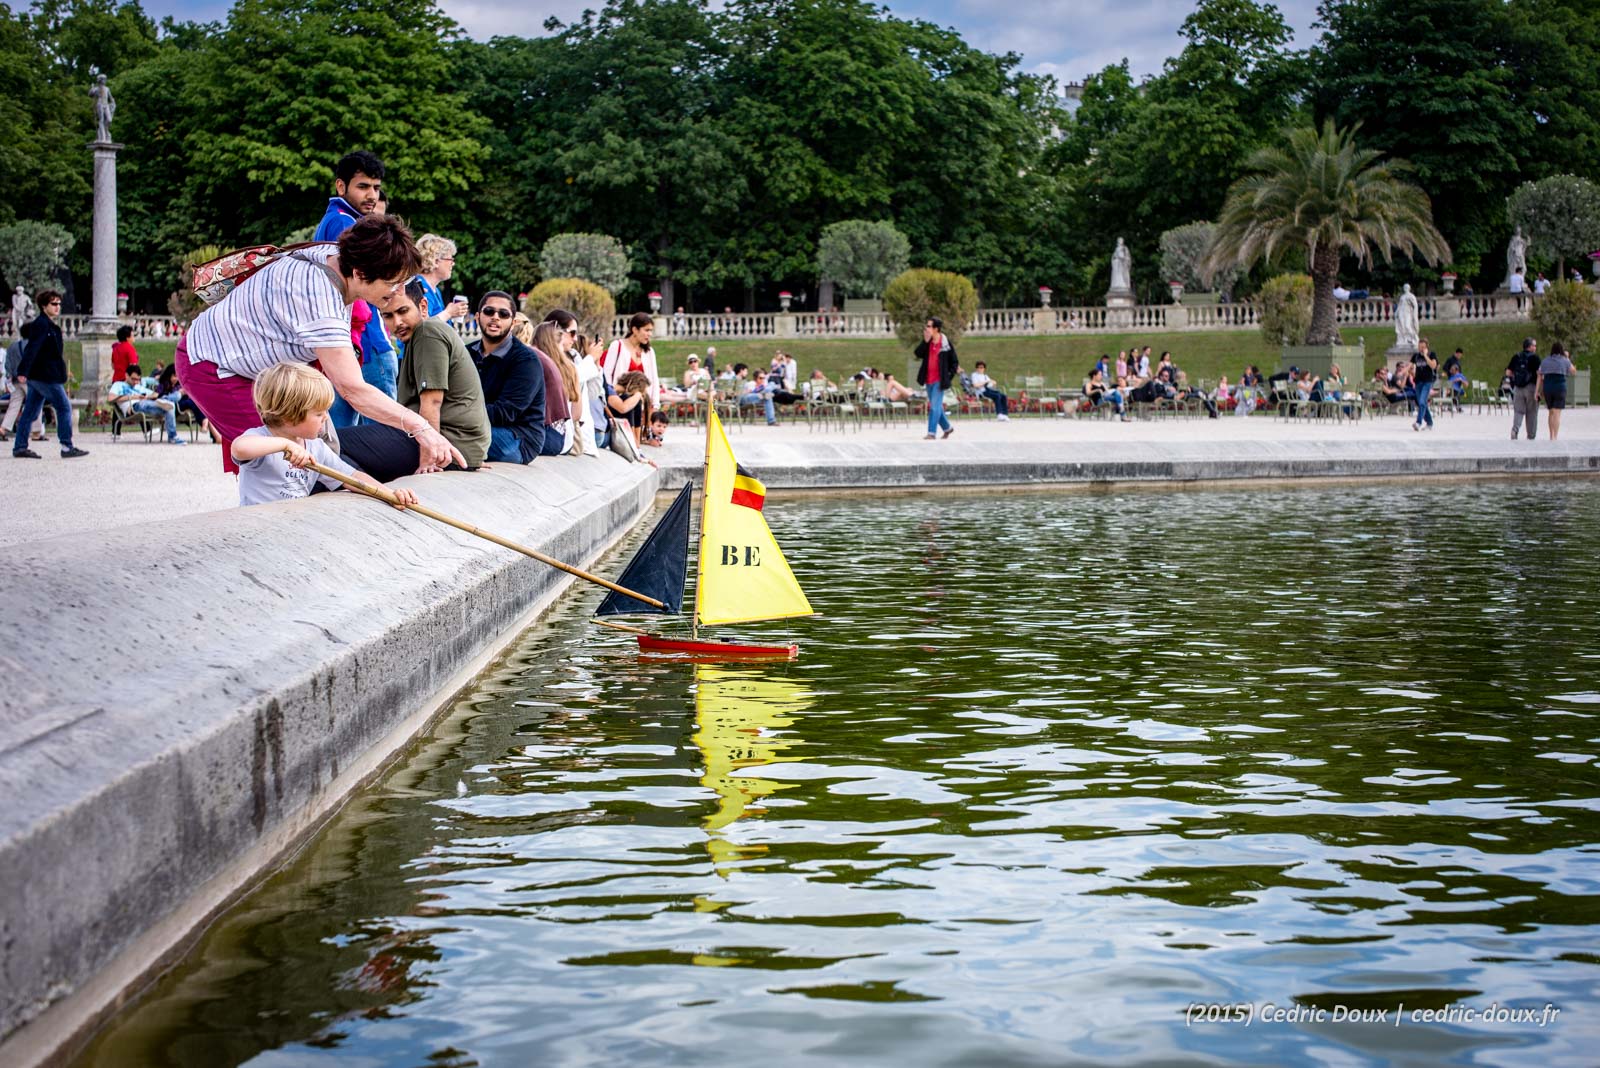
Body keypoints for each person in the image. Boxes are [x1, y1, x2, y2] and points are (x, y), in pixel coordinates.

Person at [178, 214, 461, 474]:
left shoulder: (339, 256)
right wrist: (421, 428)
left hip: (256, 363)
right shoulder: (319, 300)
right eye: (393, 282)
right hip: (212, 366)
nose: (399, 291)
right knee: (279, 462)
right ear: (361, 274)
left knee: (311, 451)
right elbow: (353, 389)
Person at [337, 281, 489, 480]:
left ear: (423, 307)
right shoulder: (421, 335)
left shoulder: (428, 333)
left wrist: (428, 461)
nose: (397, 322)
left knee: (333, 442)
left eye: (403, 311)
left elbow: (432, 402)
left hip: (446, 446)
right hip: (457, 445)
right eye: (388, 315)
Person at [231, 362, 415, 509]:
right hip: (257, 524)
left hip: (289, 525)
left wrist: (389, 494)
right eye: (319, 413)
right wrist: (285, 445)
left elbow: (352, 477)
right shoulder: (261, 440)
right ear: (289, 416)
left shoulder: (316, 447)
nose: (326, 417)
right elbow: (239, 448)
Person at [315, 150, 399, 424]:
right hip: (366, 339)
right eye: (363, 186)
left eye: (376, 187)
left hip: (345, 339)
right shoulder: (345, 223)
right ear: (341, 186)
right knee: (385, 429)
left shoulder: (334, 220)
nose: (372, 195)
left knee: (344, 433)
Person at [466, 291, 544, 463]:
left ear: (513, 321)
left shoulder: (526, 361)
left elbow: (506, 412)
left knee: (450, 436)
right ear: (478, 316)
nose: (495, 317)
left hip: (518, 438)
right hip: (478, 425)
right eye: (489, 312)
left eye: (503, 314)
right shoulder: (466, 353)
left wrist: (457, 415)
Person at [11, 290, 88, 459]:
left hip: (41, 374)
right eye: (54, 304)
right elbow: (32, 348)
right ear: (44, 306)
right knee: (64, 407)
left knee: (30, 411)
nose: (57, 307)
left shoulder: (49, 325)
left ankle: (20, 447)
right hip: (44, 375)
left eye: (59, 304)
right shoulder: (41, 324)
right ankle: (67, 447)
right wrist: (23, 370)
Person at [530, 320, 579, 455]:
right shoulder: (569, 367)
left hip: (550, 436)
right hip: (565, 436)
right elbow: (577, 413)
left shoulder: (538, 361)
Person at [109, 365, 185, 445]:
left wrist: (149, 396)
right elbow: (110, 398)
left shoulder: (138, 386)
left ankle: (172, 437)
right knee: (168, 402)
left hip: (147, 403)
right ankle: (165, 399)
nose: (135, 382)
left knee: (170, 406)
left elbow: (154, 394)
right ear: (126, 375)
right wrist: (134, 397)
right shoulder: (118, 385)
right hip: (134, 406)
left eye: (138, 380)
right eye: (133, 379)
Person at [603, 312, 661, 404]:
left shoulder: (649, 352)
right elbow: (606, 375)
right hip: (619, 402)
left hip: (644, 404)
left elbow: (654, 379)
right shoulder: (617, 346)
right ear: (635, 330)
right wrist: (612, 397)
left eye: (651, 331)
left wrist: (655, 405)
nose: (650, 334)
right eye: (646, 330)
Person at [915, 316, 958, 440]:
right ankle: (948, 428)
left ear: (936, 329)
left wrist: (948, 377)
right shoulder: (927, 342)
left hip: (939, 380)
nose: (926, 328)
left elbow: (954, 362)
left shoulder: (945, 343)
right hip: (928, 380)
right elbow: (917, 354)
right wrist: (925, 341)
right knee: (937, 406)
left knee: (934, 407)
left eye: (929, 326)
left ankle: (931, 433)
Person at [412, 234, 466, 321]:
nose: (453, 263)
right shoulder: (421, 288)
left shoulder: (434, 289)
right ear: (436, 261)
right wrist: (449, 313)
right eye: (450, 259)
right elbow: (423, 326)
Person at [2, 334, 43, 442]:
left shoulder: (12, 346)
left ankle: (3, 428)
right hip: (29, 380)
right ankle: (36, 432)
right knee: (36, 403)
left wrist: (9, 377)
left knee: (14, 406)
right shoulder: (33, 345)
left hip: (15, 380)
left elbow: (7, 364)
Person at [1538, 342, 1576, 441]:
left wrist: (1539, 390)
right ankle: (1555, 436)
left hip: (1548, 387)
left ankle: (1551, 435)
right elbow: (1573, 371)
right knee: (1557, 412)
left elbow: (1540, 373)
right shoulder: (1564, 360)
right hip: (1559, 387)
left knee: (1551, 412)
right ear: (1561, 350)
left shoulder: (1545, 360)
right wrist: (1567, 358)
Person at [1506, 337, 1541, 441]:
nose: (1535, 347)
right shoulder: (1535, 358)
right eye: (1534, 345)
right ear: (1530, 347)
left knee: (1518, 411)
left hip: (1518, 388)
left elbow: (1508, 372)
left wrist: (1516, 379)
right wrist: (1539, 391)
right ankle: (1531, 436)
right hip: (1531, 388)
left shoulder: (1516, 356)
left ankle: (1515, 430)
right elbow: (1540, 374)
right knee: (1532, 413)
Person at [1411, 338, 1438, 431]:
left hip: (1427, 381)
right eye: (1419, 347)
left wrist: (1426, 356)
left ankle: (1418, 422)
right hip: (1418, 382)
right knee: (1421, 403)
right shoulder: (1416, 356)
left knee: (1422, 402)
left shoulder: (1432, 354)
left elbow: (1433, 366)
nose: (1421, 349)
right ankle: (1429, 423)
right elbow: (1410, 366)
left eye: (1423, 347)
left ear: (1427, 347)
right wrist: (1405, 372)